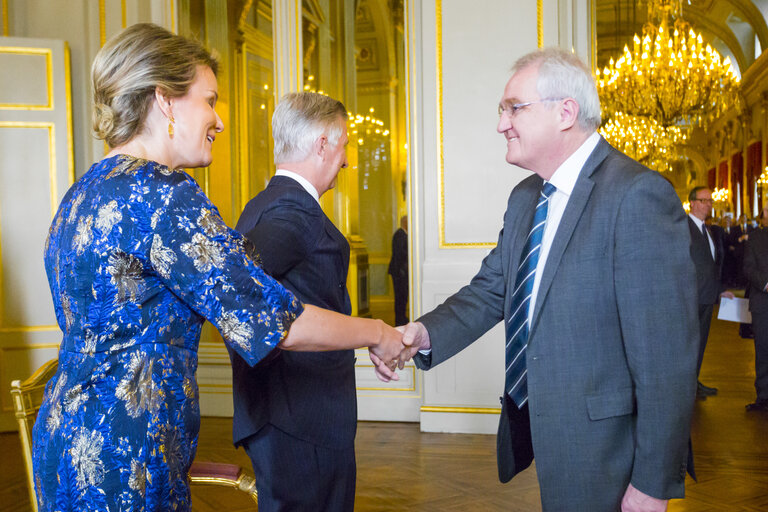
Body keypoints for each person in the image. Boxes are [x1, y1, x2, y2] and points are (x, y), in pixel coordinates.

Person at [32, 23, 405, 512]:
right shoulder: (163, 194)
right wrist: (378, 331)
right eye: (209, 100)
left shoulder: (84, 190)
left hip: (66, 435)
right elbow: (274, 320)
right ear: (165, 100)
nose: (219, 120)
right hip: (126, 452)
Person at [374, 48, 698, 511]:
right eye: (501, 110)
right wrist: (421, 335)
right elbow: (491, 290)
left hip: (610, 451)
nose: (502, 124)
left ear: (566, 112)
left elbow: (667, 359)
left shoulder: (637, 195)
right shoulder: (526, 196)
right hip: (548, 434)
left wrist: (652, 482)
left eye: (513, 108)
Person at [229, 92, 357, 511]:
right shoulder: (291, 212)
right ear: (322, 145)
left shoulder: (266, 203)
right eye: (343, 146)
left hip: (292, 417)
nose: (346, 159)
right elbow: (234, 293)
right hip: (301, 421)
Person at [687, 187, 734, 400]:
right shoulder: (682, 227)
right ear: (692, 203)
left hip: (706, 297)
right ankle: (685, 387)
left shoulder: (709, 230)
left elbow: (710, 264)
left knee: (700, 344)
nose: (708, 205)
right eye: (704, 200)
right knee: (688, 345)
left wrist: (720, 290)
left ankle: (694, 382)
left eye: (710, 201)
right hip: (689, 299)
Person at [743, 205, 768, 411]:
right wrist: (766, 284)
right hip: (763, 302)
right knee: (763, 349)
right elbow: (748, 267)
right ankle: (764, 396)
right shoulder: (755, 237)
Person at [388, 215, 409, 326]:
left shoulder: (403, 235)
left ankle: (402, 318)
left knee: (403, 297)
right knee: (400, 297)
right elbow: (400, 254)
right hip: (399, 272)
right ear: (405, 223)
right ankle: (400, 320)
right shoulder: (400, 235)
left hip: (401, 272)